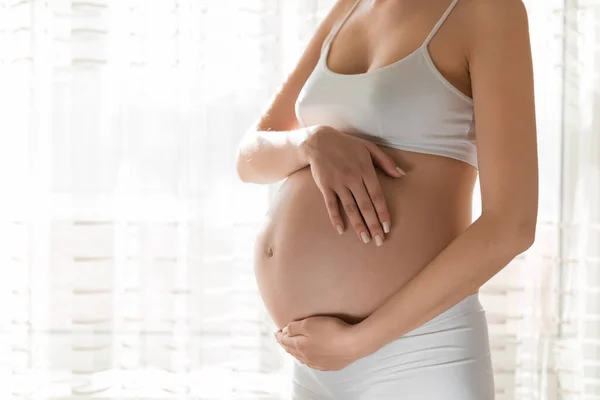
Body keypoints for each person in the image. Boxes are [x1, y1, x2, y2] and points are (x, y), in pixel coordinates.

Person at [236, 0, 538, 398]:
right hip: (315, 364)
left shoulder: (487, 11)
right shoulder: (350, 7)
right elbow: (248, 158)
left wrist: (357, 342)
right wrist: (308, 142)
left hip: (420, 354)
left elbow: (511, 225)